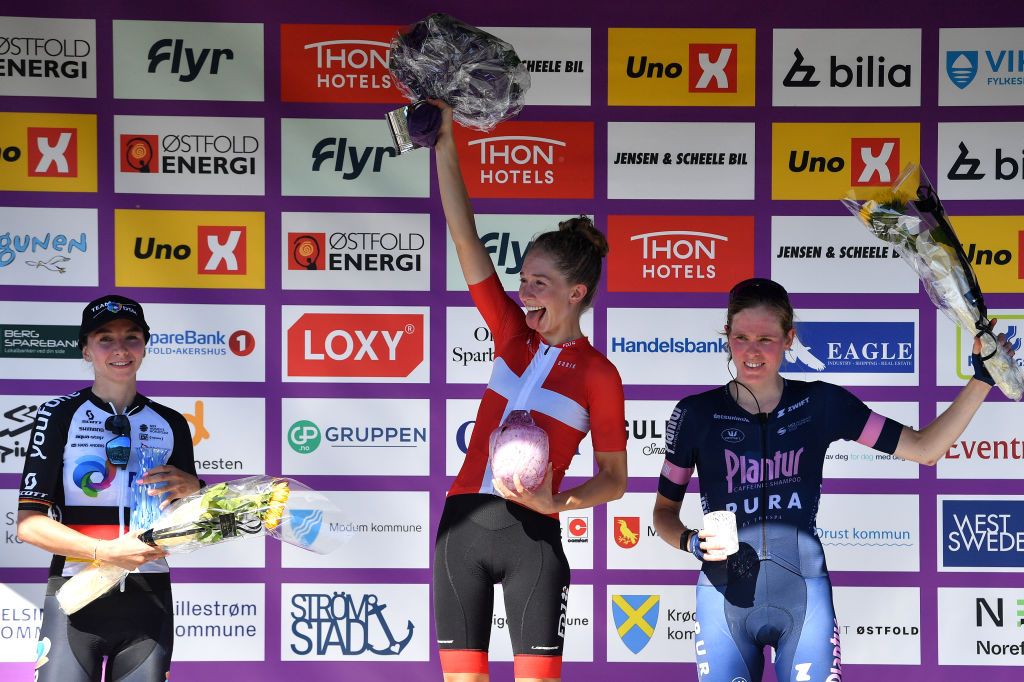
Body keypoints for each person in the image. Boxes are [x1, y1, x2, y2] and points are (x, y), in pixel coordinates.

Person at [652, 277, 1013, 682]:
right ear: (727, 337)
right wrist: (689, 541)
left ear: (789, 339)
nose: (752, 352)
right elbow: (663, 512)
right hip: (723, 599)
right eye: (741, 337)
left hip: (803, 595)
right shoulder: (695, 414)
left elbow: (925, 448)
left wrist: (983, 378)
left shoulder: (821, 403)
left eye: (766, 339)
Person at [431, 100, 628, 682]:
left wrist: (558, 503)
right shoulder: (512, 336)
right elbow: (465, 239)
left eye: (539, 284)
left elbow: (615, 479)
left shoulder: (599, 373)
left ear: (577, 293)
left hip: (533, 539)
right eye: (522, 281)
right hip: (461, 529)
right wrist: (446, 144)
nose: (524, 294)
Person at [17, 295, 202, 681]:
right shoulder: (59, 415)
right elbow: (29, 524)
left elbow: (190, 522)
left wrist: (197, 488)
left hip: (148, 600)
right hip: (75, 593)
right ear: (86, 349)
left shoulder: (171, 423)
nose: (120, 349)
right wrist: (106, 551)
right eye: (105, 339)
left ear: (145, 346)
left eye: (131, 337)